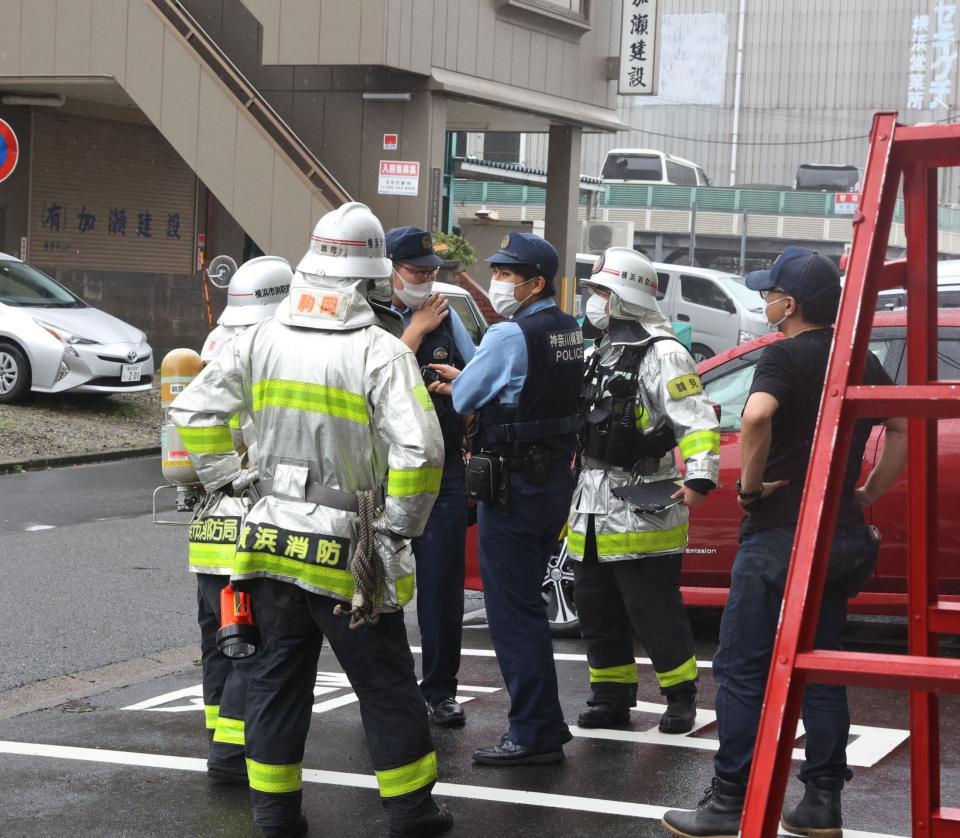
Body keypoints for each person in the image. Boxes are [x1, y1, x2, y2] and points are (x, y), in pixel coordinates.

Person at [171, 202, 453, 838]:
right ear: (367, 280)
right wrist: (399, 527)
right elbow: (420, 450)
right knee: (383, 682)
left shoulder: (260, 338)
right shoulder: (380, 352)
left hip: (269, 539)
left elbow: (196, 411)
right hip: (349, 546)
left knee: (273, 681)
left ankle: (274, 817)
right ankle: (410, 813)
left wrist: (229, 480)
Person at [662, 247, 907, 837]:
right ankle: (822, 802)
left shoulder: (783, 356)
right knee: (821, 663)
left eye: (769, 293)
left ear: (789, 305)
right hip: (841, 534)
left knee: (744, 667)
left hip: (778, 533)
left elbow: (755, 417)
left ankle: (727, 803)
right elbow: (898, 423)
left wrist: (748, 487)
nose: (764, 301)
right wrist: (866, 491)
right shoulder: (859, 357)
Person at [429, 231, 584, 765]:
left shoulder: (508, 335)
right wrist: (470, 378)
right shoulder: (568, 329)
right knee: (527, 607)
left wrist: (465, 382)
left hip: (513, 486)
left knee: (514, 612)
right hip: (553, 482)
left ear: (534, 282)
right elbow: (531, 389)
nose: (499, 281)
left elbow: (472, 396)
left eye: (507, 273)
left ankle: (534, 732)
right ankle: (542, 724)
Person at [569, 247, 720, 736]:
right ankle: (610, 698)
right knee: (597, 610)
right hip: (590, 504)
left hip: (643, 502)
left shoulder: (664, 352)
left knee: (654, 612)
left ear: (623, 296)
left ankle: (680, 699)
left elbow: (695, 420)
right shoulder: (601, 350)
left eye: (601, 293)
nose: (594, 302)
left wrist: (699, 477)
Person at [189, 256, 292, 784]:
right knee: (254, 646)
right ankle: (231, 758)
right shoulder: (270, 350)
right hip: (250, 520)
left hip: (208, 524)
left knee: (218, 644)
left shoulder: (215, 341)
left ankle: (219, 739)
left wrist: (217, 477)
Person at [386, 226, 475, 727]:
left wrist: (461, 398)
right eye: (417, 272)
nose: (425, 281)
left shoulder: (446, 315)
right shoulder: (372, 314)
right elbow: (368, 379)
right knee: (379, 583)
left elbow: (475, 378)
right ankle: (388, 686)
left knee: (442, 588)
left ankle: (440, 689)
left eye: (431, 273)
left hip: (442, 471)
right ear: (391, 270)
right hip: (383, 472)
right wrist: (413, 332)